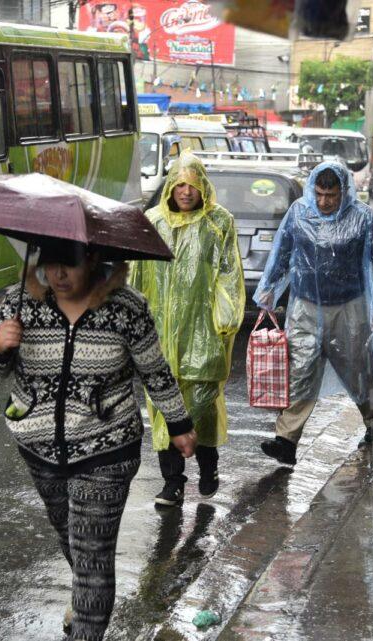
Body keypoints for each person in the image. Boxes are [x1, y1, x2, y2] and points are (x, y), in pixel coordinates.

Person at [0, 241, 196, 641]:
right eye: (51, 264)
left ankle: (87, 619)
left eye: (69, 265)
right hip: (39, 448)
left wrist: (179, 424)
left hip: (106, 449)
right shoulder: (21, 302)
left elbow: (154, 371)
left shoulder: (126, 308)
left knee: (92, 555)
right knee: (71, 539)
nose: (58, 275)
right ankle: (85, 596)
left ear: (93, 260)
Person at [255, 161, 373, 466]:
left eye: (331, 195)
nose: (324, 201)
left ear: (343, 192)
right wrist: (269, 287)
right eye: (319, 194)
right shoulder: (299, 213)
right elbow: (283, 251)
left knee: (359, 368)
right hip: (305, 306)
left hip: (349, 306)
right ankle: (286, 440)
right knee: (301, 370)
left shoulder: (363, 218)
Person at [131, 152, 246, 507]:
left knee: (202, 409)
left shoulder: (219, 222)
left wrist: (224, 320)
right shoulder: (153, 222)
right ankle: (173, 482)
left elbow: (229, 273)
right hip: (160, 338)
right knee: (164, 411)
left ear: (203, 187)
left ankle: (208, 467)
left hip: (204, 335)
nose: (185, 191)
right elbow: (136, 274)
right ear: (170, 187)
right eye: (179, 184)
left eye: (192, 185)